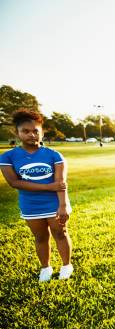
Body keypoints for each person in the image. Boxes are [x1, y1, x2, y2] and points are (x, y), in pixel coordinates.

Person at [0, 109, 73, 281]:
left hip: (55, 204)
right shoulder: (8, 157)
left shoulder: (54, 155)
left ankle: (66, 265)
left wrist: (63, 206)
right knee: (40, 237)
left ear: (42, 132)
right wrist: (48, 187)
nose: (31, 135)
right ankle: (45, 268)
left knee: (60, 233)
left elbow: (61, 184)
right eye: (26, 131)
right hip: (30, 206)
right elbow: (15, 183)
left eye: (35, 131)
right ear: (17, 133)